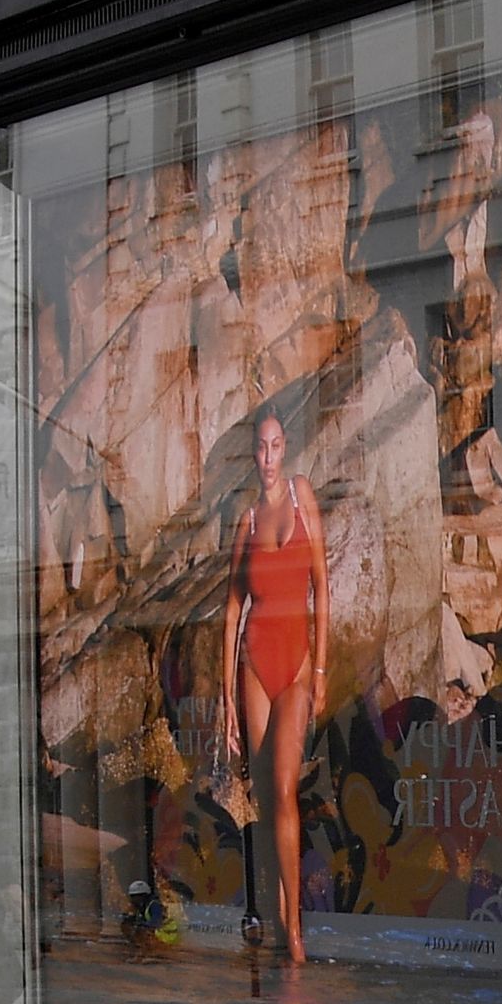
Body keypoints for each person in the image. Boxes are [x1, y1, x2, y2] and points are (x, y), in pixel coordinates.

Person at [220, 408, 330, 967]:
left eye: (276, 445)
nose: (268, 457)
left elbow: (322, 587)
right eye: (260, 448)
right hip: (255, 665)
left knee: (285, 788)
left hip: (296, 665)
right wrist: (226, 700)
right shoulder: (245, 522)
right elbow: (232, 611)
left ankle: (294, 929)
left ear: (285, 448)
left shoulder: (302, 495)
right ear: (253, 455)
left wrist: (321, 670)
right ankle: (281, 909)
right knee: (266, 797)